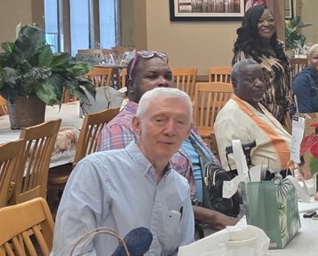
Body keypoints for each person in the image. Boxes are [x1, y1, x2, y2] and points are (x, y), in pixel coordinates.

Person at [46, 87, 196, 256]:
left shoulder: (179, 187)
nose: (170, 130)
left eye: (180, 122)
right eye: (160, 120)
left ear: (188, 131)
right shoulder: (96, 171)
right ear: (137, 125)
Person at [96, 51, 236, 230]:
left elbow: (210, 164)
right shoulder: (123, 128)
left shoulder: (180, 120)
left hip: (216, 208)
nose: (163, 82)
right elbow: (136, 199)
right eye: (152, 77)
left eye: (168, 76)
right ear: (132, 86)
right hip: (174, 225)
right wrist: (214, 218)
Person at [214, 60, 294, 173]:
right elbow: (235, 172)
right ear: (235, 85)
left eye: (262, 78)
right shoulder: (229, 117)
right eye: (251, 79)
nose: (259, 84)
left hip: (291, 175)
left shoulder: (257, 105)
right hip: (269, 185)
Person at [232, 4, 292, 124]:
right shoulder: (245, 53)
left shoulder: (277, 48)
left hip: (281, 119)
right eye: (260, 21)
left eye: (270, 20)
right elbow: (243, 92)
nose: (267, 24)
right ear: (252, 25)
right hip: (258, 119)